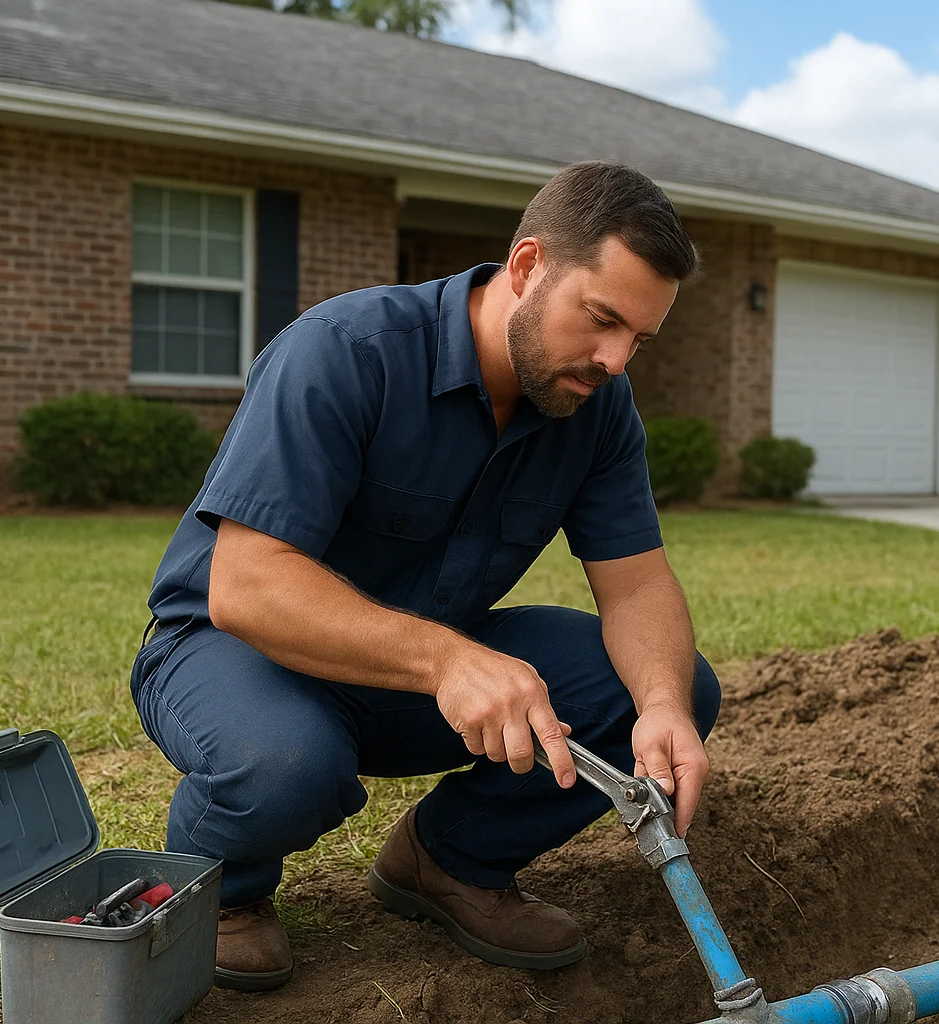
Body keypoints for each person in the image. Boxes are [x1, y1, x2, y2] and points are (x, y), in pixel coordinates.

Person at [129, 161, 720, 991]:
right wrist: (447, 661)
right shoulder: (345, 351)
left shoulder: (595, 408)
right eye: (602, 319)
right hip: (232, 651)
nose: (616, 360)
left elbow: (638, 586)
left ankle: (447, 860)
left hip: (416, 674)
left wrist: (662, 706)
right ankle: (221, 893)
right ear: (527, 266)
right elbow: (246, 586)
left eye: (639, 340)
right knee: (288, 763)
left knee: (672, 685)